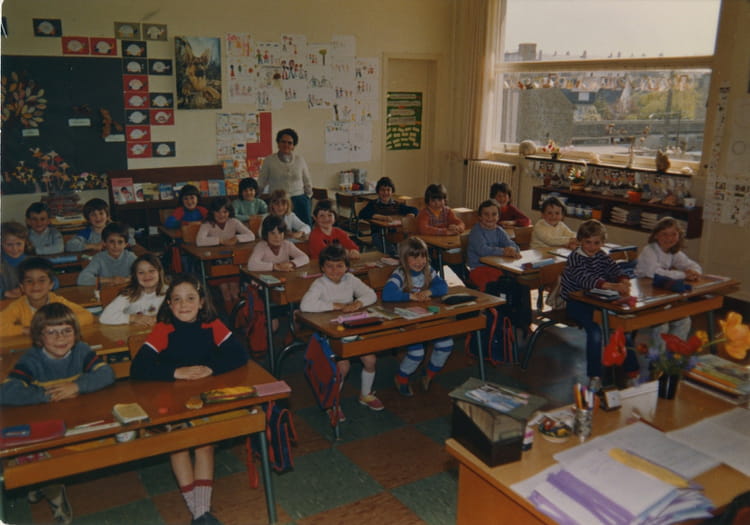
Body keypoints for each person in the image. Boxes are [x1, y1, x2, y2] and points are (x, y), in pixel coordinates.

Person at [130, 274, 248, 525]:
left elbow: (239, 354)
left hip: (203, 397)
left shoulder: (212, 324)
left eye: (190, 298)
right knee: (180, 444)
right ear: (169, 304)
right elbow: (138, 368)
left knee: (204, 444)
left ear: (201, 302)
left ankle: (200, 512)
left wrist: (211, 369)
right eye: (177, 299)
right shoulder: (164, 329)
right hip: (171, 399)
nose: (184, 305)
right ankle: (199, 513)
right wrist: (175, 372)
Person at [0, 303, 116, 525]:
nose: (60, 338)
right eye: (52, 332)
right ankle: (54, 495)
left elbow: (107, 374)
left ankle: (42, 483)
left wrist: (76, 386)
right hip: (44, 422)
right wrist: (46, 395)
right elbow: (6, 392)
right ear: (39, 337)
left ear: (76, 333)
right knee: (39, 455)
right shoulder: (32, 360)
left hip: (75, 417)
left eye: (66, 331)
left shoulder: (81, 351)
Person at [300, 244, 380, 420]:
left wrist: (358, 303)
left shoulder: (350, 279)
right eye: (329, 266)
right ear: (322, 268)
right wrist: (335, 305)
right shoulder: (320, 283)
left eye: (339, 266)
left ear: (347, 267)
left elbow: (371, 295)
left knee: (370, 360)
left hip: (350, 329)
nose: (335, 271)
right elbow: (305, 305)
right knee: (343, 367)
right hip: (328, 333)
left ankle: (365, 394)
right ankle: (333, 402)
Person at [559, 219, 635, 389]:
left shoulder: (601, 255)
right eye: (588, 242)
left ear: (602, 243)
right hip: (576, 303)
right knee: (595, 333)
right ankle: (595, 376)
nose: (592, 247)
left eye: (597, 243)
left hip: (600, 301)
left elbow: (614, 269)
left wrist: (623, 279)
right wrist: (612, 285)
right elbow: (586, 280)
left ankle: (632, 372)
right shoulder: (575, 258)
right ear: (580, 240)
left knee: (622, 327)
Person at [383, 238, 452, 396]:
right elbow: (387, 293)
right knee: (417, 353)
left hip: (426, 318)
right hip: (406, 321)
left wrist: (429, 291)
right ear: (404, 259)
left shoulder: (428, 270)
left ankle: (429, 374)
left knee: (446, 344)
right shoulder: (400, 273)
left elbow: (443, 286)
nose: (419, 262)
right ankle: (401, 377)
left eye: (423, 257)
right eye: (414, 257)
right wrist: (410, 296)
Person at [635, 216, 702, 351]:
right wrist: (683, 275)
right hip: (643, 296)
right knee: (662, 324)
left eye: (673, 234)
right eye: (664, 234)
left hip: (661, 295)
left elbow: (691, 264)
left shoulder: (673, 252)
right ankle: (658, 359)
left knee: (684, 320)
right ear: (656, 236)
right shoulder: (649, 250)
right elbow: (654, 273)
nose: (669, 238)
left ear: (679, 236)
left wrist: (694, 272)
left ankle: (674, 356)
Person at [0, 257, 95, 337]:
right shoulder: (19, 306)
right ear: (22, 287)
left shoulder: (57, 301)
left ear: (51, 285)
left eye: (41, 280)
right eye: (29, 281)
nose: (35, 285)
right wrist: (26, 330)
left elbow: (86, 315)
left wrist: (58, 325)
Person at [196, 197, 255, 311]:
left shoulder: (234, 221)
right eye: (218, 211)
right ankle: (230, 316)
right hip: (216, 263)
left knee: (235, 291)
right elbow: (199, 241)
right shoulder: (207, 224)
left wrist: (236, 238)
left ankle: (238, 316)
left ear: (229, 212)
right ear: (212, 212)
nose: (221, 215)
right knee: (226, 292)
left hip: (233, 261)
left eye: (225, 212)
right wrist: (221, 241)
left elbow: (251, 235)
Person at [258, 128, 313, 225]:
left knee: (304, 228)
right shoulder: (269, 160)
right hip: (278, 202)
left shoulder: (300, 160)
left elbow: (307, 181)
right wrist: (256, 197)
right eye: (283, 142)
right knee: (278, 227)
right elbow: (261, 182)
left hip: (299, 200)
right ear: (278, 143)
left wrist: (307, 198)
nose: (286, 145)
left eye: (289, 143)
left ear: (293, 146)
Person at [99, 253, 168, 326]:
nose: (146, 275)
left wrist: (158, 318)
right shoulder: (129, 293)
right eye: (141, 272)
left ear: (159, 272)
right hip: (133, 331)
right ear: (135, 276)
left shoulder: (169, 292)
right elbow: (104, 317)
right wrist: (133, 318)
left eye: (151, 271)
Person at [467, 200, 521, 292]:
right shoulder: (476, 232)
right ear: (480, 217)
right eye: (486, 214)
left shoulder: (499, 230)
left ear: (498, 217)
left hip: (497, 266)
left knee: (512, 281)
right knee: (493, 285)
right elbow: (482, 250)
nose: (490, 217)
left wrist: (513, 249)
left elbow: (510, 243)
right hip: (478, 268)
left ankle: (505, 300)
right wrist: (503, 251)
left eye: (494, 214)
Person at [357, 176, 418, 255]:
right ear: (378, 191)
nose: (385, 193)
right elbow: (362, 213)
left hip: (394, 234)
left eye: (388, 190)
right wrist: (380, 217)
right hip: (378, 234)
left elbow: (414, 209)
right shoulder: (373, 204)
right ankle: (395, 255)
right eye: (382, 190)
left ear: (392, 192)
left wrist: (410, 215)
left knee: (408, 244)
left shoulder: (396, 205)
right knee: (391, 251)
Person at [65, 198, 135, 252]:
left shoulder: (116, 229)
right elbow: (69, 246)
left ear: (107, 215)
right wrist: (93, 246)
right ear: (88, 218)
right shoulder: (86, 233)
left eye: (101, 213)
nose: (98, 217)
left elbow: (132, 241)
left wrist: (113, 243)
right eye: (93, 215)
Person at [1, 221, 31, 299]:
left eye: (19, 244)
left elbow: (54, 282)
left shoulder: (33, 262)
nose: (15, 249)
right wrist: (4, 293)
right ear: (1, 244)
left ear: (25, 242)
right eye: (9, 244)